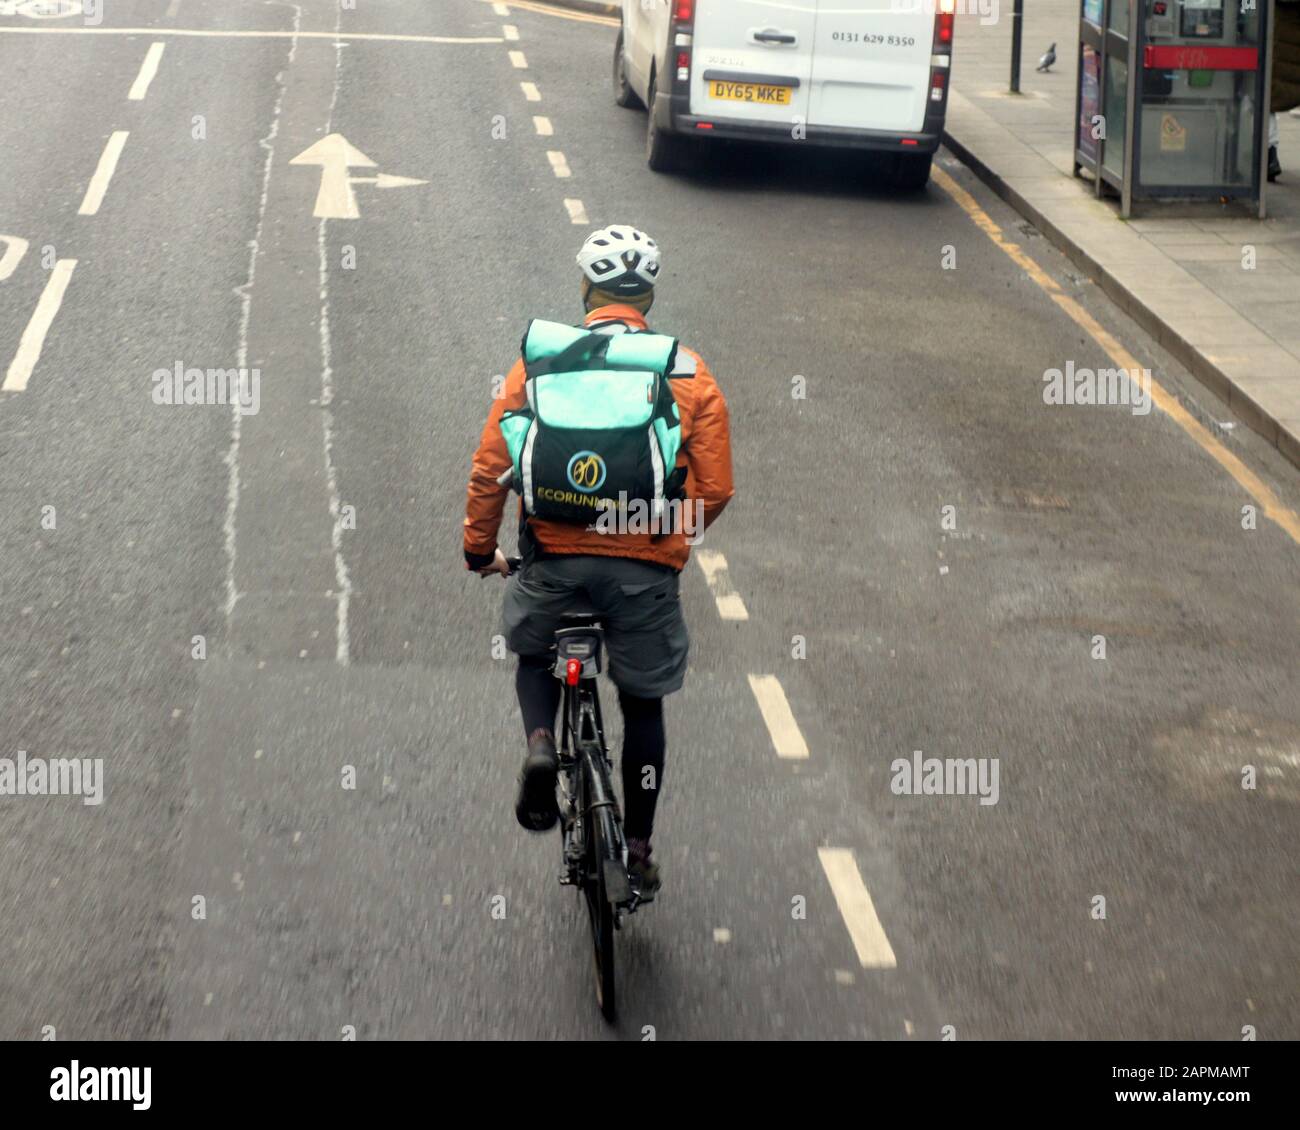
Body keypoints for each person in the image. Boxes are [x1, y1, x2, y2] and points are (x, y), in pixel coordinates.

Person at [463, 225, 734, 896]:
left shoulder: (541, 364)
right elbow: (716, 487)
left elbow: (491, 468)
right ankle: (635, 849)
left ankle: (539, 747)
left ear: (587, 291)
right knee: (643, 704)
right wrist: (665, 539)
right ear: (647, 294)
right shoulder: (688, 371)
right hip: (644, 573)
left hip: (552, 559)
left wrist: (479, 550)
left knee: (534, 654)